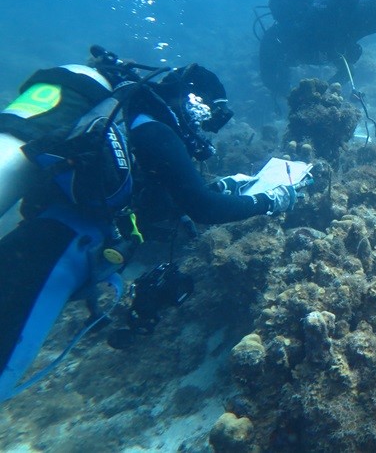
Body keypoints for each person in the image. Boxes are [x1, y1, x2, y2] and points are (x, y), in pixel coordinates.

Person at [0, 47, 298, 402]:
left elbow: (160, 201)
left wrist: (223, 186)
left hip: (47, 241)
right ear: (185, 100)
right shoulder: (153, 124)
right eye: (200, 113)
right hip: (62, 255)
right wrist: (269, 201)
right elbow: (203, 208)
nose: (199, 127)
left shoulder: (128, 124)